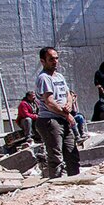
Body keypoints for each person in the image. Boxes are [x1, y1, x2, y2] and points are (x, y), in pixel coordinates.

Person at [35, 47, 80, 177]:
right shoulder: (44, 78)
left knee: (72, 153)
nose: (55, 61)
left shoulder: (59, 76)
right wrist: (67, 114)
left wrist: (69, 105)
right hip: (50, 120)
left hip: (63, 118)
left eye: (56, 58)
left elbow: (68, 94)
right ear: (43, 61)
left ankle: (75, 181)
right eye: (51, 59)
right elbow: (49, 103)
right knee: (56, 157)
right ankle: (56, 183)